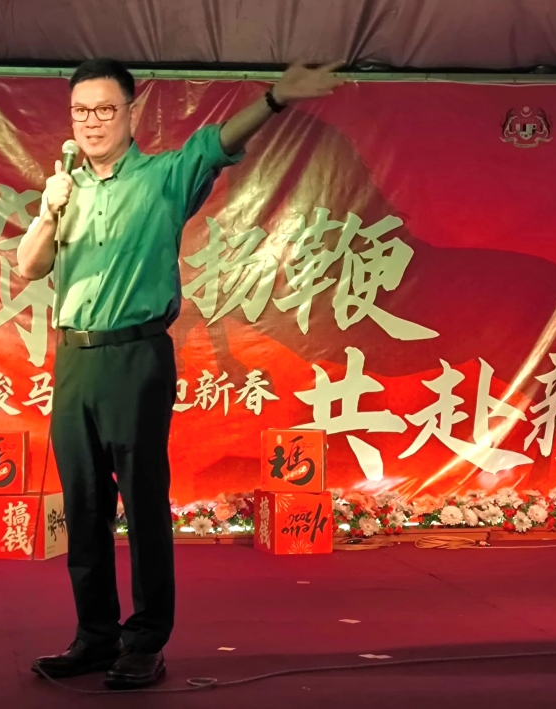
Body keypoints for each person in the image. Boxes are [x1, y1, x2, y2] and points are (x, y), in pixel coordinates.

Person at [18, 58, 341, 689]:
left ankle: (145, 641)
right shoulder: (65, 187)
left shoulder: (165, 178)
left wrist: (275, 97)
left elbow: (218, 144)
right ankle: (93, 636)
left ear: (131, 112)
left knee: (140, 501)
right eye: (81, 111)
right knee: (83, 505)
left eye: (105, 109)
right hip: (76, 357)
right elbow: (31, 266)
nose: (92, 122)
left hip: (138, 356)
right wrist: (50, 209)